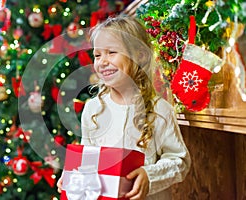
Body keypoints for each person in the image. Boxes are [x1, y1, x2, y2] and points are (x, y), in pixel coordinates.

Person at [57, 15, 191, 200]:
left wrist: (148, 175)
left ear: (139, 55)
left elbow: (180, 161)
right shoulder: (93, 109)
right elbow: (88, 159)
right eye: (97, 55)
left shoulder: (160, 110)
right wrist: (73, 175)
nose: (102, 61)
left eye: (111, 52)